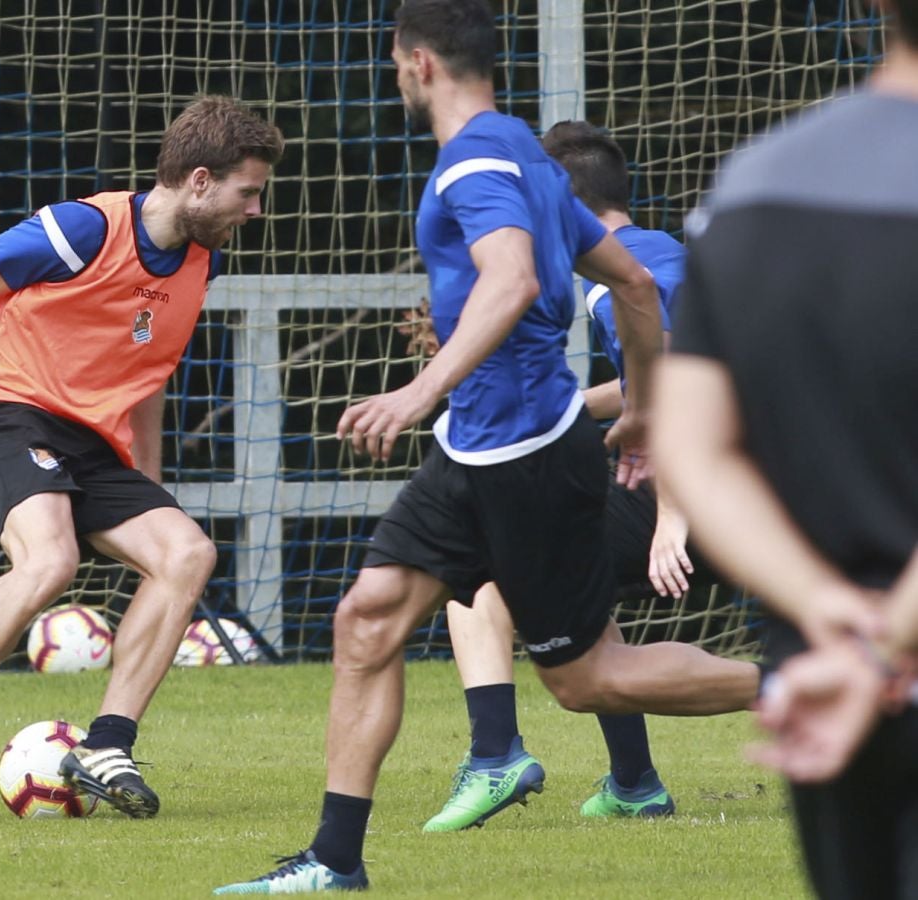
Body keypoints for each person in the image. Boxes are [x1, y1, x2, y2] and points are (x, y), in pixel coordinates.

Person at [216, 1, 756, 891]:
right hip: (477, 451)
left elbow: (510, 281)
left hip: (526, 458)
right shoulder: (528, 155)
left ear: (418, 63)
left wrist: (419, 389)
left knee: (588, 680)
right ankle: (333, 862)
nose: (395, 75)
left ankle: (819, 695)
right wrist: (650, 409)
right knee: (367, 619)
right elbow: (630, 284)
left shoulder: (474, 163)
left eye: (395, 63)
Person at [0, 96, 284, 824]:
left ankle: (107, 746)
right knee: (49, 561)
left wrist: (147, 488)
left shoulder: (199, 263)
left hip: (87, 441)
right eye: (247, 191)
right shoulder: (81, 228)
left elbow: (148, 373)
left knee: (186, 554)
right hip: (0, 408)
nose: (255, 209)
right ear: (197, 180)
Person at [653, 0, 918, 892]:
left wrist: (829, 614)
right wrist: (888, 646)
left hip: (821, 668)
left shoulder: (753, 185)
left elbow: (693, 447)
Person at [424, 120, 742, 832]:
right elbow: (657, 382)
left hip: (712, 491)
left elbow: (671, 373)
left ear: (560, 201)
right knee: (575, 588)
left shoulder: (613, 283)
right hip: (773, 484)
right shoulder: (666, 254)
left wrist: (673, 520)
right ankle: (632, 782)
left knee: (483, 564)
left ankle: (494, 753)